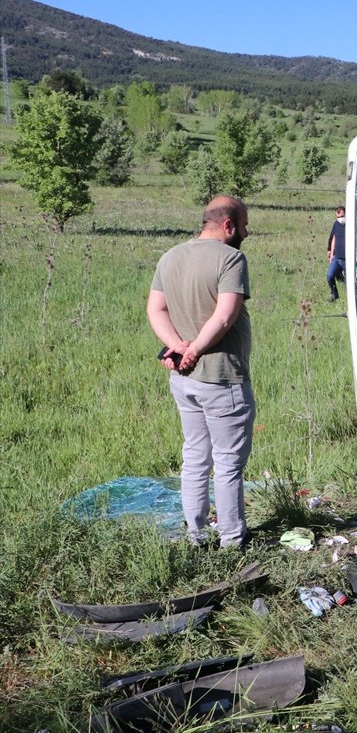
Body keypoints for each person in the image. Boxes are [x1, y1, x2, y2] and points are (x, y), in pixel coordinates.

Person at [147, 195, 255, 549]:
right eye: (243, 224)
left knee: (194, 456)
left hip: (184, 379)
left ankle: (196, 535)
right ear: (227, 225)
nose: (245, 231)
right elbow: (224, 317)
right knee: (227, 464)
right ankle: (231, 540)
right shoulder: (231, 258)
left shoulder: (171, 256)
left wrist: (176, 347)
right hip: (223, 378)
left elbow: (156, 309)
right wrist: (191, 349)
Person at [326, 206, 347, 301]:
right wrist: (331, 252)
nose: (340, 219)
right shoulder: (336, 224)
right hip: (336, 258)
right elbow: (333, 238)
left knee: (349, 282)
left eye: (342, 216)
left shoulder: (353, 225)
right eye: (338, 217)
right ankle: (334, 294)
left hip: (347, 259)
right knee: (330, 276)